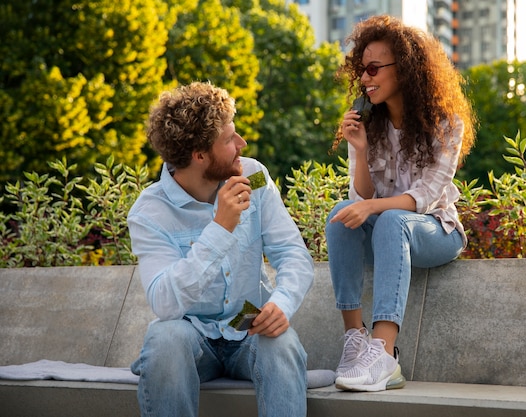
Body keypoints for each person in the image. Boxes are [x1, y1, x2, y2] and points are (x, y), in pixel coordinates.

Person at [127, 81, 314, 417]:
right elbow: (164, 303)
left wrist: (281, 304)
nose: (241, 144)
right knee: (165, 340)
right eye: (229, 140)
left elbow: (292, 253)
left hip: (247, 324)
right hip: (190, 333)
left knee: (282, 342)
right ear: (199, 155)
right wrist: (220, 228)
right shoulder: (150, 212)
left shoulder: (253, 177)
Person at [326, 15, 476, 392]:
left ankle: (385, 354)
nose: (364, 78)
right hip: (390, 235)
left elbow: (424, 197)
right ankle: (355, 341)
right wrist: (360, 151)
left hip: (436, 231)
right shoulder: (367, 125)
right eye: (362, 69)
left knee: (392, 219)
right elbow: (360, 200)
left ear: (405, 69)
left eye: (374, 68)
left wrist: (373, 208)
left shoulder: (447, 123)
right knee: (338, 217)